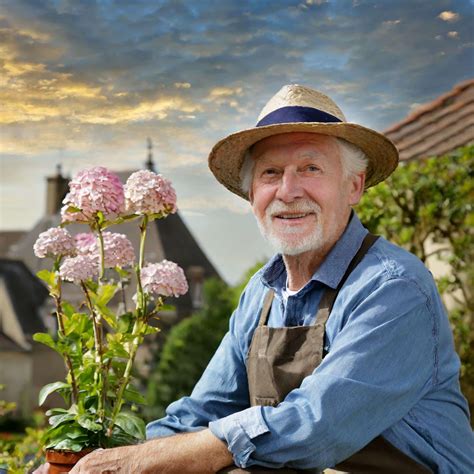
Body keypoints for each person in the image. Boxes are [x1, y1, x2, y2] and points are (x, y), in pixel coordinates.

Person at [38, 85, 474, 473]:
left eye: (310, 168)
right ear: (252, 196)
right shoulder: (261, 293)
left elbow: (315, 426)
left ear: (354, 186)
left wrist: (166, 458)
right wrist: (106, 461)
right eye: (270, 174)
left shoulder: (392, 288)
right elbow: (202, 412)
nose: (288, 191)